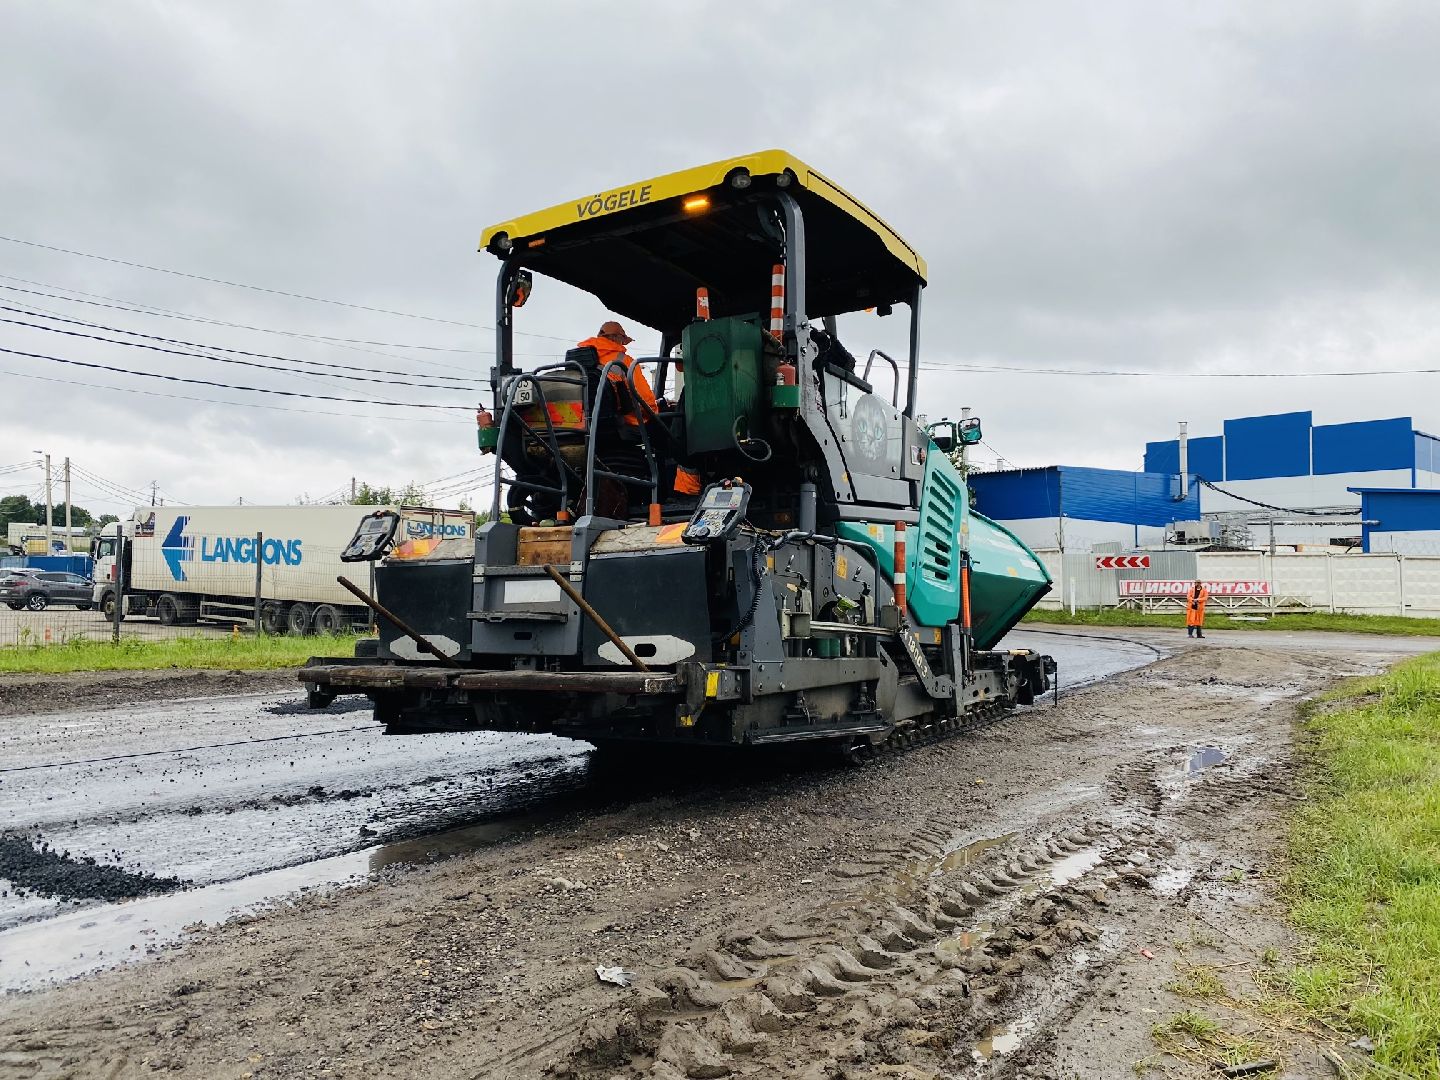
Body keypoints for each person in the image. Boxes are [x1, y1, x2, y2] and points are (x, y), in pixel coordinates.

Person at [576, 320, 701, 497]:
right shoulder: (623, 361)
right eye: (622, 340)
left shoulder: (577, 361)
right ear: (617, 338)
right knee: (673, 433)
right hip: (622, 425)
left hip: (584, 427)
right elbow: (647, 403)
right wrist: (660, 408)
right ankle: (676, 492)